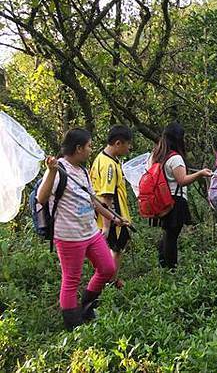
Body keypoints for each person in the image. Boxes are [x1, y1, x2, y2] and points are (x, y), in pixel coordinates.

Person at [37, 129, 129, 330]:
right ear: (78, 148)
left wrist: (114, 219)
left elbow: (93, 201)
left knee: (107, 268)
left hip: (90, 232)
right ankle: (74, 325)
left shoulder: (83, 171)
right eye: (88, 146)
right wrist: (51, 171)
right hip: (69, 236)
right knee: (71, 280)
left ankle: (87, 306)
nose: (91, 149)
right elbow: (41, 198)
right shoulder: (58, 169)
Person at [149, 123, 212, 268]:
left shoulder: (156, 156)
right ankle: (171, 268)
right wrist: (200, 173)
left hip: (160, 199)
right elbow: (182, 180)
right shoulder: (175, 158)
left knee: (167, 233)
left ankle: (163, 264)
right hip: (174, 201)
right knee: (172, 236)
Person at [90, 125, 133, 290]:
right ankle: (110, 283)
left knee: (113, 249)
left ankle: (111, 280)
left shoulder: (101, 158)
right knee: (116, 249)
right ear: (117, 143)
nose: (129, 148)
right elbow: (106, 196)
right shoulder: (108, 165)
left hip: (106, 215)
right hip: (113, 215)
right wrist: (108, 224)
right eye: (127, 144)